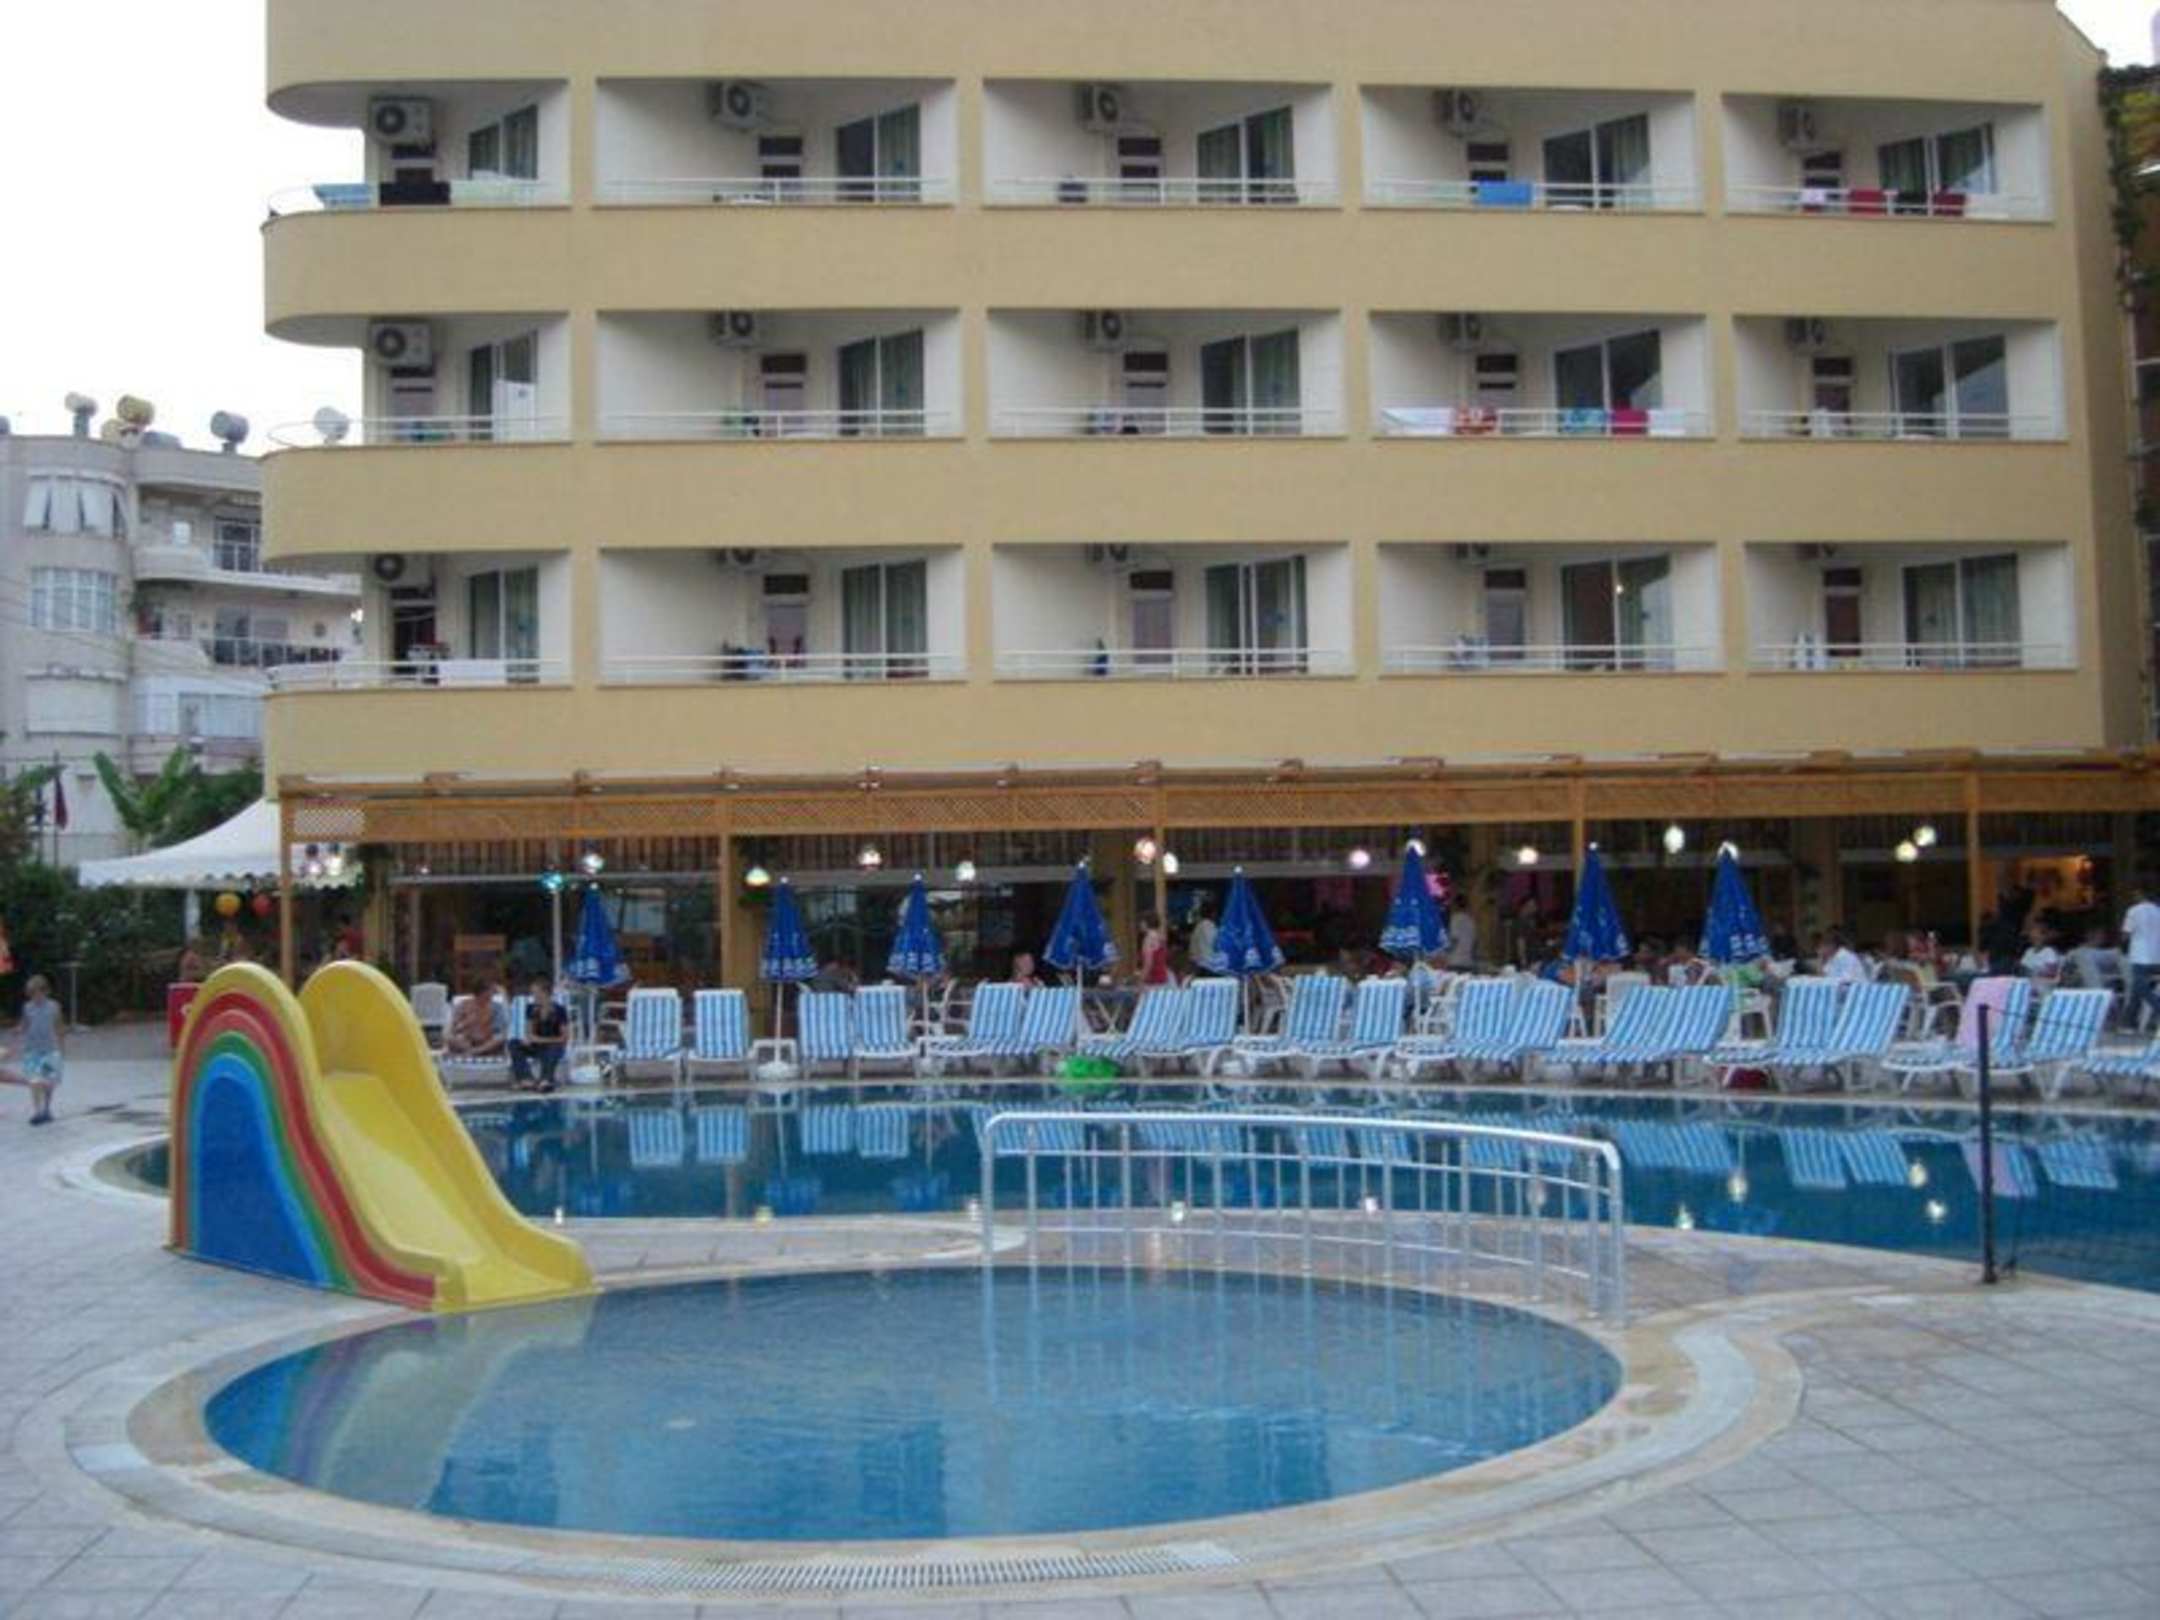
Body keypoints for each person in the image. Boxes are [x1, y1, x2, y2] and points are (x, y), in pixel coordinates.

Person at [2, 976, 66, 1126]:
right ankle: (38, 1112)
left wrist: (62, 1048)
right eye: (31, 994)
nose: (34, 997)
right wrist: (18, 1030)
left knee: (48, 1082)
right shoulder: (27, 1007)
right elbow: (25, 1024)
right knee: (35, 1080)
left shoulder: (54, 1006)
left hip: (50, 1050)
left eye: (36, 993)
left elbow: (59, 1027)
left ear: (46, 991)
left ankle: (47, 1109)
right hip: (32, 1050)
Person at [510, 978, 570, 1093]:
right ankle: (526, 1079)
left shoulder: (559, 1010)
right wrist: (534, 1039)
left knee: (554, 1048)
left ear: (545, 993)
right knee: (513, 1043)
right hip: (537, 1046)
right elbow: (529, 1034)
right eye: (532, 993)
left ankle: (545, 1080)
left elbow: (565, 1037)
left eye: (535, 992)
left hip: (552, 1047)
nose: (533, 996)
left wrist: (540, 1040)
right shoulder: (531, 1008)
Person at [2123, 887, 2160, 1028]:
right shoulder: (2158, 911)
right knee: (2136, 990)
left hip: (2140, 956)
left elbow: (2126, 934)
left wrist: (2123, 945)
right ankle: (2129, 1022)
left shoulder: (2133, 911)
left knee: (2140, 987)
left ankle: (2157, 1006)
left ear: (2139, 894)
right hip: (2157, 956)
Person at [444, 980, 506, 1057]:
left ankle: (476, 1051)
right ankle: (470, 1050)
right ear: (479, 994)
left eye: (490, 995)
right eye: (486, 996)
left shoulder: (496, 1008)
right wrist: (465, 1024)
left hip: (487, 1042)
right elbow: (453, 1027)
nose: (489, 998)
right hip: (466, 1041)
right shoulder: (463, 1005)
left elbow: (499, 1031)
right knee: (454, 1037)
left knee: (500, 1038)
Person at [2066, 926, 2123, 993]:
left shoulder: (2113, 953)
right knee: (2080, 955)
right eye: (2094, 932)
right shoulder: (2077, 953)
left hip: (2105, 986)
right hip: (2085, 987)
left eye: (2100, 933)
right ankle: (2098, 994)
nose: (2098, 935)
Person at [2018, 919, 2062, 986]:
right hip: (2029, 982)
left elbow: (2051, 972)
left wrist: (2036, 973)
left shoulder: (2049, 952)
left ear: (2044, 937)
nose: (2035, 938)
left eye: (2038, 936)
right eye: (2033, 936)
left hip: (2045, 984)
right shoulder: (2029, 951)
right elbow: (2022, 968)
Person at [1187, 901, 1219, 976]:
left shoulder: (1198, 927)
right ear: (1213, 913)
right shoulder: (1209, 926)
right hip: (1208, 966)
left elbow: (1192, 950)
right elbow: (1215, 943)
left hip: (1199, 965)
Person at [1138, 915, 1171, 986]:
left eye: (1141, 922)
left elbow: (1148, 963)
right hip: (1163, 978)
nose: (1139, 925)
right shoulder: (1161, 937)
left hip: (1152, 981)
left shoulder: (1148, 939)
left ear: (1145, 924)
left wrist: (1140, 980)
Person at [1445, 904, 1478, 970]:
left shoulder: (1455, 919)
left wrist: (1446, 952)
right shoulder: (1471, 921)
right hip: (1468, 962)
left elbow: (1454, 939)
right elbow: (1475, 943)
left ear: (1455, 906)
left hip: (1455, 961)